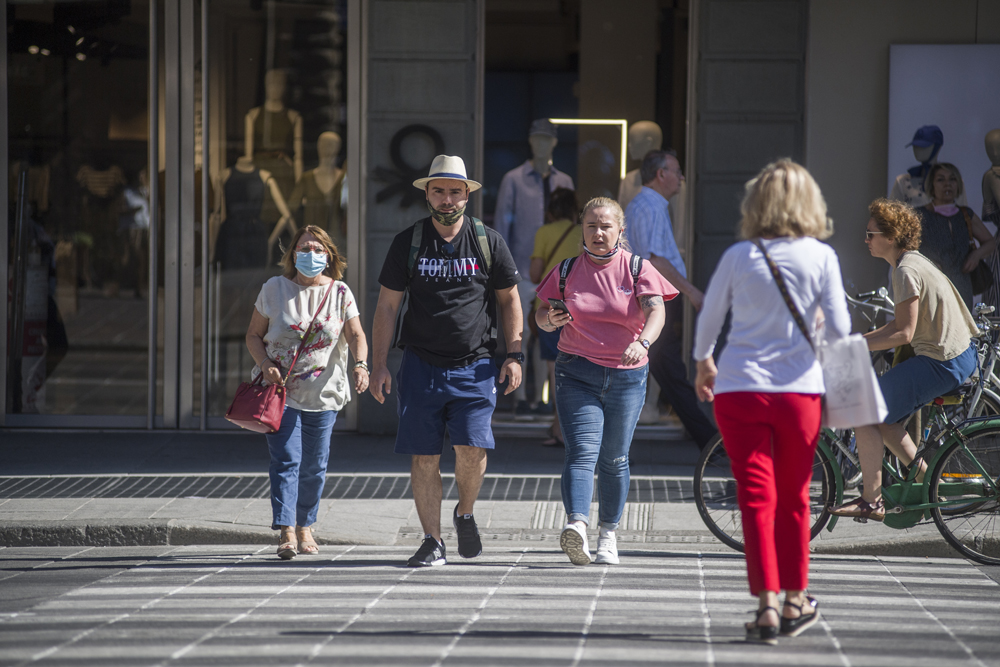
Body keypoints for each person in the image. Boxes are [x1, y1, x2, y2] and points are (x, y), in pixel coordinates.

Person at [694, 159, 850, 644]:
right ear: (810, 202)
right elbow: (840, 331)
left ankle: (765, 604)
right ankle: (795, 599)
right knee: (796, 497)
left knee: (755, 497)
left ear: (756, 202)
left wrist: (704, 363)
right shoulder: (821, 256)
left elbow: (710, 318)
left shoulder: (740, 255)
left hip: (739, 389)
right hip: (798, 393)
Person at [370, 155, 523, 568]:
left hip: (475, 366)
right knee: (425, 456)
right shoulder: (409, 242)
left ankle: (465, 512)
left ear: (467, 195)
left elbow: (510, 300)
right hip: (421, 365)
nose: (447, 199)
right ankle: (432, 541)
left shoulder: (488, 241)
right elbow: (387, 306)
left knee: (472, 448)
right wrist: (378, 363)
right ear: (427, 194)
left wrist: (514, 355)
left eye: (455, 191)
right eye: (439, 191)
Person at [535, 197, 676, 566]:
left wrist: (642, 342)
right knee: (581, 452)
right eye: (591, 226)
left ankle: (608, 534)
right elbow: (541, 315)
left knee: (614, 458)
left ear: (620, 231)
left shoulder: (637, 268)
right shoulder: (566, 270)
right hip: (575, 371)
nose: (598, 233)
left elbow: (657, 311)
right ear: (582, 229)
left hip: (627, 375)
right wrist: (550, 320)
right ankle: (577, 526)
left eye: (606, 226)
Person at [830, 199, 978, 522]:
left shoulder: (905, 270)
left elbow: (903, 332)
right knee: (881, 415)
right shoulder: (909, 262)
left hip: (943, 360)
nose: (866, 240)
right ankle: (928, 479)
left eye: (871, 234)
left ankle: (871, 500)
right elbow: (899, 326)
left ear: (892, 236)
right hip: (953, 355)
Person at [245, 225, 369, 560]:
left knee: (314, 465)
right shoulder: (274, 288)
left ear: (328, 256)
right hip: (280, 394)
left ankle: (306, 526)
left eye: (317, 249)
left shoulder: (340, 292)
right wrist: (265, 364)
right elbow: (253, 335)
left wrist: (361, 365)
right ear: (293, 254)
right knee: (287, 460)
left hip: (323, 395)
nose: (310, 255)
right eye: (303, 248)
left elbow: (356, 334)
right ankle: (287, 530)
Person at [625, 149, 718, 450]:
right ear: (660, 174)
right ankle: (710, 441)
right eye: (676, 171)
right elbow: (654, 260)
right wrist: (691, 292)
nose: (681, 177)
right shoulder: (650, 206)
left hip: (654, 297)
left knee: (661, 369)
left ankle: (709, 440)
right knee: (665, 369)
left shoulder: (649, 205)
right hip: (656, 299)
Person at [529, 188, 582, 447]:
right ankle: (566, 427)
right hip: (580, 308)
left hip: (552, 306)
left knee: (555, 370)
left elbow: (534, 273)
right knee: (581, 368)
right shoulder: (583, 232)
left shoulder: (544, 232)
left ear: (550, 211)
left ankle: (560, 428)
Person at [915, 162, 995, 309]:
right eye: (941, 179)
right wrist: (926, 263)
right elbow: (905, 248)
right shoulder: (919, 215)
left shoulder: (965, 214)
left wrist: (976, 255)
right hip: (931, 286)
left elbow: (990, 242)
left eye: (952, 179)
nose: (947, 184)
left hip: (962, 287)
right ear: (932, 185)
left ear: (958, 184)